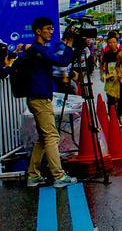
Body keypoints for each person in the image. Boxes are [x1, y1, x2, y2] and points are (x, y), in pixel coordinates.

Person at [23, 16, 78, 188]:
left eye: (52, 28)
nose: (51, 31)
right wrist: (69, 43)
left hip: (39, 97)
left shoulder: (39, 49)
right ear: (38, 31)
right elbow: (62, 61)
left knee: (43, 137)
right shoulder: (37, 50)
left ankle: (33, 175)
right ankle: (58, 176)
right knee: (52, 136)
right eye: (48, 28)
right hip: (39, 98)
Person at [99, 33, 122, 114]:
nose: (112, 44)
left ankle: (119, 115)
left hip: (120, 79)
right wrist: (101, 75)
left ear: (117, 43)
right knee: (110, 98)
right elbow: (101, 64)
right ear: (107, 43)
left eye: (114, 42)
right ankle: (111, 115)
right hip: (109, 79)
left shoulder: (121, 53)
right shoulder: (106, 54)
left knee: (120, 99)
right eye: (110, 42)